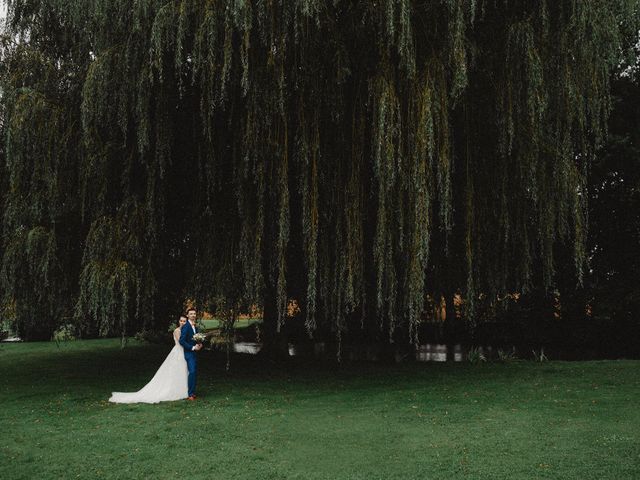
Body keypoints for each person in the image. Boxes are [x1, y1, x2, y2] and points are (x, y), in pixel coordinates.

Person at [109, 316, 189, 403]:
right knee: (175, 370)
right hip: (178, 352)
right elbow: (181, 342)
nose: (182, 322)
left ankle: (182, 389)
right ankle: (174, 390)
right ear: (179, 321)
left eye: (184, 321)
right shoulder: (177, 331)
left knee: (182, 370)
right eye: (181, 321)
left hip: (184, 352)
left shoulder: (186, 330)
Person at [179, 307, 202, 400]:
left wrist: (199, 344)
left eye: (194, 314)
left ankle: (192, 392)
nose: (193, 315)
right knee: (192, 372)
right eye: (191, 314)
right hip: (188, 353)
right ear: (188, 315)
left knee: (194, 372)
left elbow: (196, 339)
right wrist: (192, 347)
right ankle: (190, 394)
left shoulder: (195, 326)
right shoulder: (186, 326)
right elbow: (182, 341)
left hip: (194, 353)